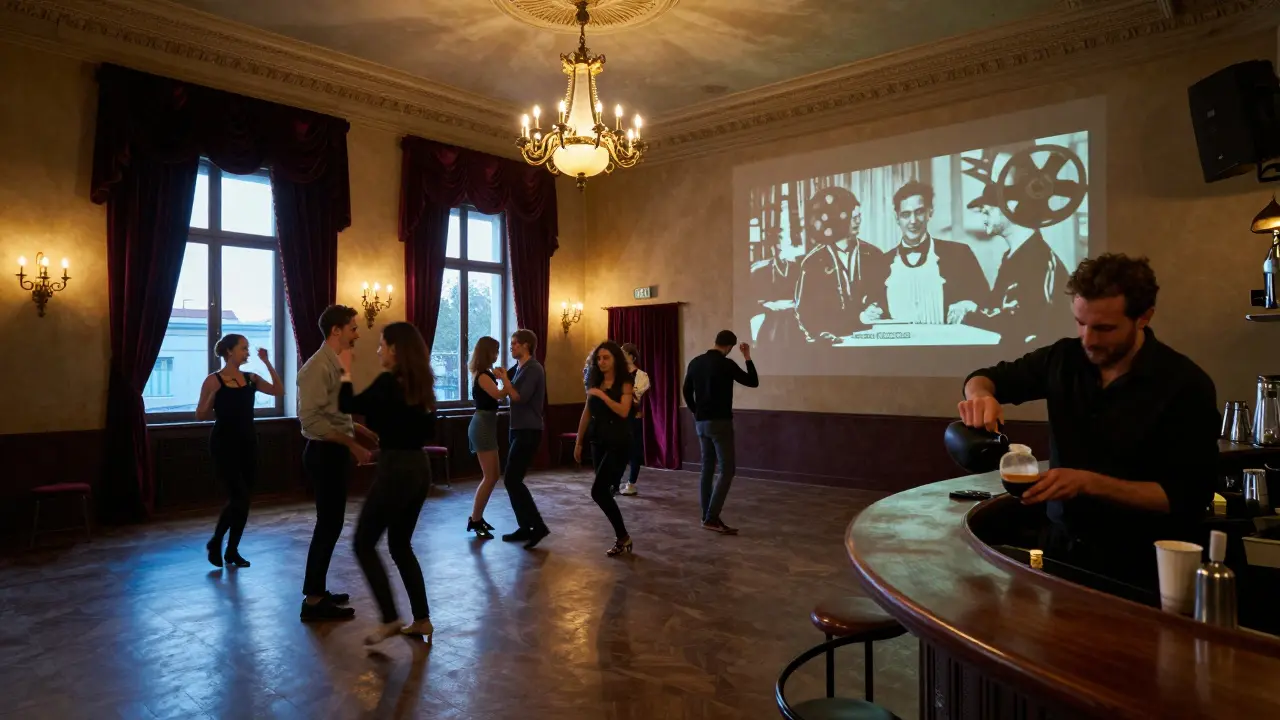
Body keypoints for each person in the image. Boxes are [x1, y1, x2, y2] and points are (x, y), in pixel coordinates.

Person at [957, 253, 1218, 585]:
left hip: (1141, 562)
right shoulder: (1063, 358)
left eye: (1104, 328)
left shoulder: (1184, 384)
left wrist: (1087, 482)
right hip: (1061, 547)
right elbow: (985, 377)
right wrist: (979, 395)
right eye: (1080, 323)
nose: (1089, 339)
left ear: (1144, 317)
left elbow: (1187, 497)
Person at [338, 322, 437, 645]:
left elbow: (348, 404)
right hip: (419, 467)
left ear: (395, 348)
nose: (379, 350)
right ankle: (421, 619)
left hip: (397, 469)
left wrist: (345, 371)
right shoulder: (422, 384)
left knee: (363, 543)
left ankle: (390, 618)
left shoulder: (386, 382)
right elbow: (416, 429)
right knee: (399, 544)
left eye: (382, 345)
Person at [297, 305, 373, 622]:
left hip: (334, 452)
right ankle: (313, 602)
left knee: (332, 524)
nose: (357, 333)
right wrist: (352, 446)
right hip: (324, 453)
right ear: (336, 331)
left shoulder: (336, 364)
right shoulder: (317, 367)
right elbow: (311, 422)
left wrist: (362, 430)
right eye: (353, 328)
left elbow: (336, 414)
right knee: (328, 525)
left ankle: (318, 591)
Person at [196, 334, 282, 569]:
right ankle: (217, 542)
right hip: (224, 445)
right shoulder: (213, 381)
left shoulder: (251, 379)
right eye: (243, 349)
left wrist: (266, 363)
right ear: (229, 352)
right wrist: (212, 397)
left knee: (243, 501)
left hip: (248, 443)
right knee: (239, 497)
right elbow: (200, 415)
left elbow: (278, 390)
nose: (247, 352)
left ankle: (231, 549)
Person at [967, 184, 1071, 347]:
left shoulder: (1039, 258)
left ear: (1011, 207)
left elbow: (1032, 327)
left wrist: (970, 317)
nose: (983, 220)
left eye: (987, 212)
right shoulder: (1010, 258)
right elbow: (997, 308)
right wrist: (973, 308)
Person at [682, 331, 759, 534]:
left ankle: (706, 515)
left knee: (707, 468)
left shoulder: (696, 362)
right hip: (721, 423)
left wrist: (695, 411)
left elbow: (686, 390)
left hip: (701, 423)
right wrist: (747, 357)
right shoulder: (726, 364)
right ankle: (712, 517)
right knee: (727, 470)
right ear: (729, 347)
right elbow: (753, 381)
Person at [882, 180, 989, 325]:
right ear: (897, 218)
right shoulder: (883, 262)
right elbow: (874, 308)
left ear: (929, 212)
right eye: (906, 215)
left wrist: (966, 305)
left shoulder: (959, 254)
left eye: (919, 212)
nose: (913, 221)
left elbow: (986, 301)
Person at [794, 187, 887, 342]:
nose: (858, 221)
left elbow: (884, 295)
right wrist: (821, 334)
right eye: (852, 217)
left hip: (871, 341)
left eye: (859, 216)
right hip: (832, 346)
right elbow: (805, 311)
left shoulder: (874, 255)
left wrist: (876, 308)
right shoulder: (812, 262)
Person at [573, 341, 635, 556]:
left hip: (618, 441)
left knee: (598, 491)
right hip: (597, 440)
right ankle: (622, 537)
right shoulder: (594, 380)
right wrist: (579, 441)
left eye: (606, 358)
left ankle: (623, 537)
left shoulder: (625, 382)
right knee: (603, 491)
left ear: (615, 359)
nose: (601, 362)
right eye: (598, 358)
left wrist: (603, 396)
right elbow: (587, 411)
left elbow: (624, 411)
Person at [500, 329, 551, 548]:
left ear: (526, 345)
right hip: (518, 429)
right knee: (512, 480)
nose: (511, 347)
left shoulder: (534, 369)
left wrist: (504, 379)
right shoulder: (519, 368)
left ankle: (537, 526)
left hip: (529, 430)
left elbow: (520, 397)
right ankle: (525, 526)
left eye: (515, 344)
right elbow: (506, 391)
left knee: (512, 479)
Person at [466, 336, 507, 539]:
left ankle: (477, 517)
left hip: (487, 424)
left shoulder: (487, 374)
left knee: (493, 475)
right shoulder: (483, 375)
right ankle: (475, 519)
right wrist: (506, 380)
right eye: (495, 351)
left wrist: (500, 378)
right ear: (486, 352)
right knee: (490, 476)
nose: (497, 355)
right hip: (482, 425)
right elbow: (500, 396)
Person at [619, 343, 650, 496]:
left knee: (634, 451)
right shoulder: (616, 375)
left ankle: (631, 483)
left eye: (623, 353)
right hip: (618, 417)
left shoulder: (641, 376)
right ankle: (615, 481)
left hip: (633, 417)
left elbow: (636, 397)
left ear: (631, 356)